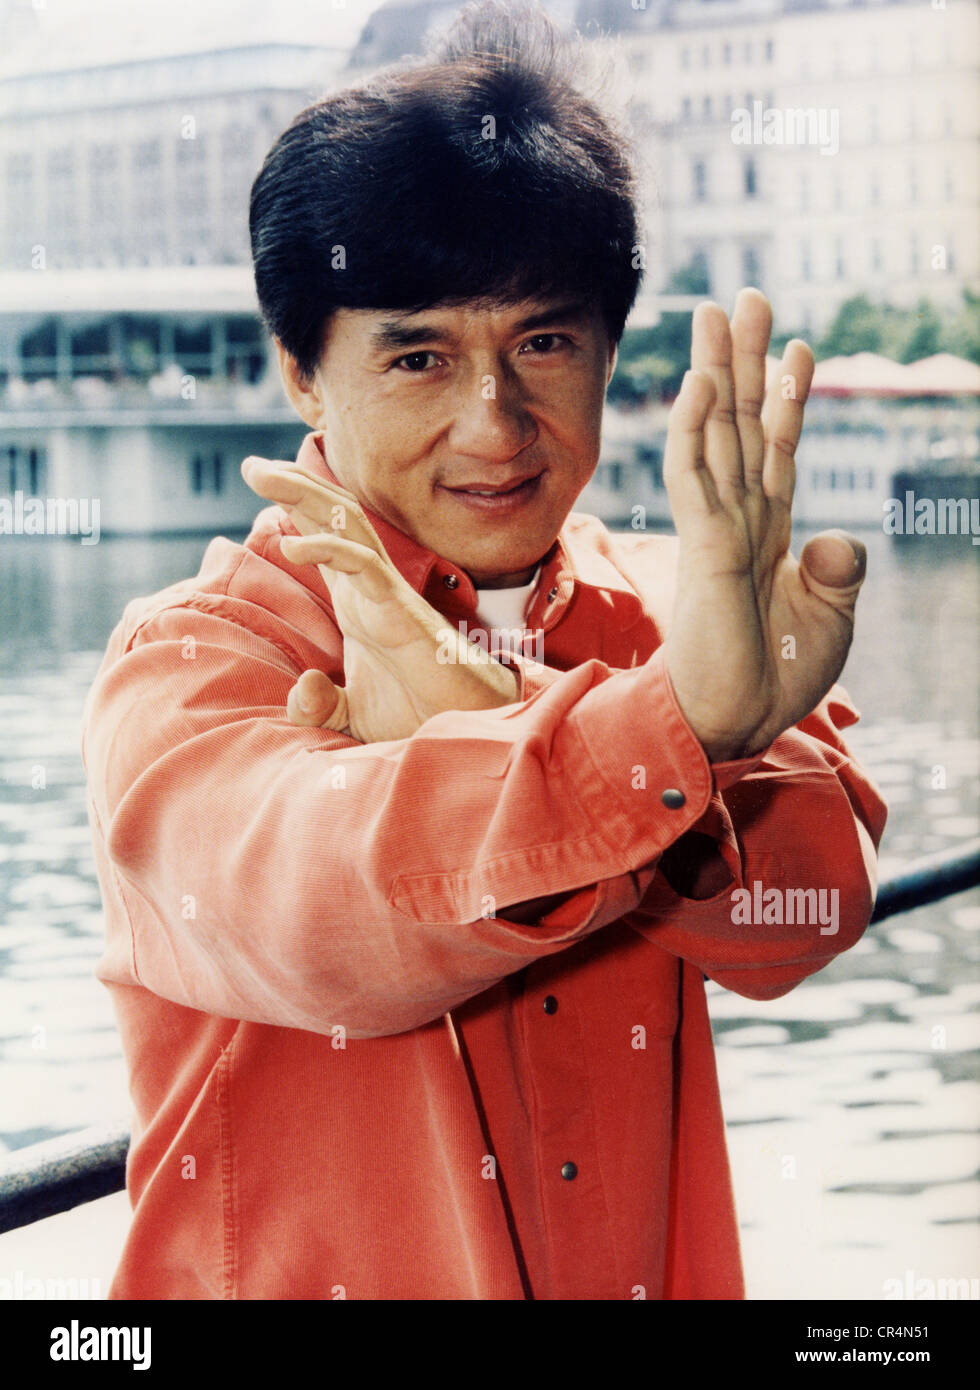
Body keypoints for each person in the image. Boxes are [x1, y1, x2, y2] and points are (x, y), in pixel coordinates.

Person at [81, 0, 887, 1300]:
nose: (493, 421)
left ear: (611, 354)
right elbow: (313, 913)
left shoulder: (668, 616)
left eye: (544, 343)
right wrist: (654, 733)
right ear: (299, 370)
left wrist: (663, 719)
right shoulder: (195, 661)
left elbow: (808, 917)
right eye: (417, 353)